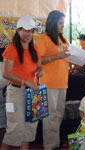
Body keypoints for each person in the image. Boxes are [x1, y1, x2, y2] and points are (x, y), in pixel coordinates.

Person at [1, 16, 43, 150]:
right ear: (18, 30)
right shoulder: (12, 49)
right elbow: (6, 73)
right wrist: (26, 82)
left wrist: (40, 71)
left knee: (30, 127)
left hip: (33, 93)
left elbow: (39, 66)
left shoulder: (34, 48)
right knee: (15, 127)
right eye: (26, 31)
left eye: (32, 31)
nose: (29, 34)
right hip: (15, 92)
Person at [36, 10, 70, 150]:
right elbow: (37, 60)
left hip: (63, 82)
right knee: (49, 116)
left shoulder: (63, 39)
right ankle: (51, 146)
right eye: (60, 23)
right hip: (48, 83)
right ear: (52, 23)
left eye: (63, 23)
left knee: (59, 114)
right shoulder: (43, 39)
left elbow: (66, 56)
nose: (63, 26)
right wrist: (57, 56)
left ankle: (54, 142)